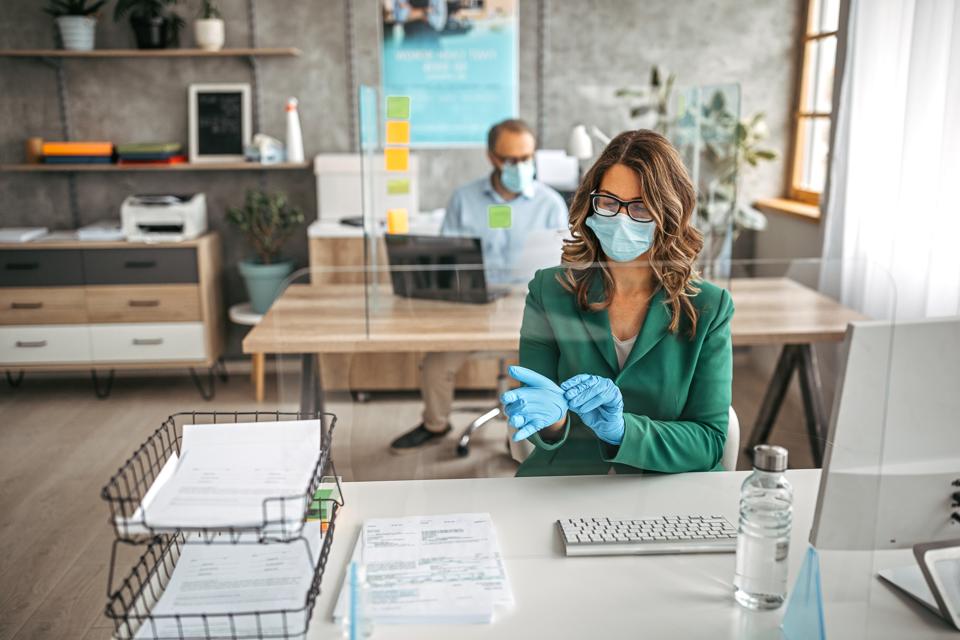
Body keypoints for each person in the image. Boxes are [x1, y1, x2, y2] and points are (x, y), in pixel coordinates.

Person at [500, 129, 734, 476]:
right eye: (609, 202)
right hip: (568, 478)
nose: (621, 218)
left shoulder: (708, 307)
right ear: (590, 203)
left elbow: (710, 440)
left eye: (640, 207)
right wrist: (553, 421)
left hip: (667, 483)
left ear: (669, 212)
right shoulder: (549, 291)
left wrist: (622, 431)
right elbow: (541, 427)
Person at [390, 118, 569, 451]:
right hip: (475, 303)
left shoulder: (550, 204)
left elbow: (564, 266)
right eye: (511, 159)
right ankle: (436, 424)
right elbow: (445, 260)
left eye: (527, 157)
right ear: (492, 158)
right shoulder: (464, 198)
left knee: (535, 366)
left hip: (529, 306)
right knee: (436, 363)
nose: (521, 166)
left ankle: (526, 436)